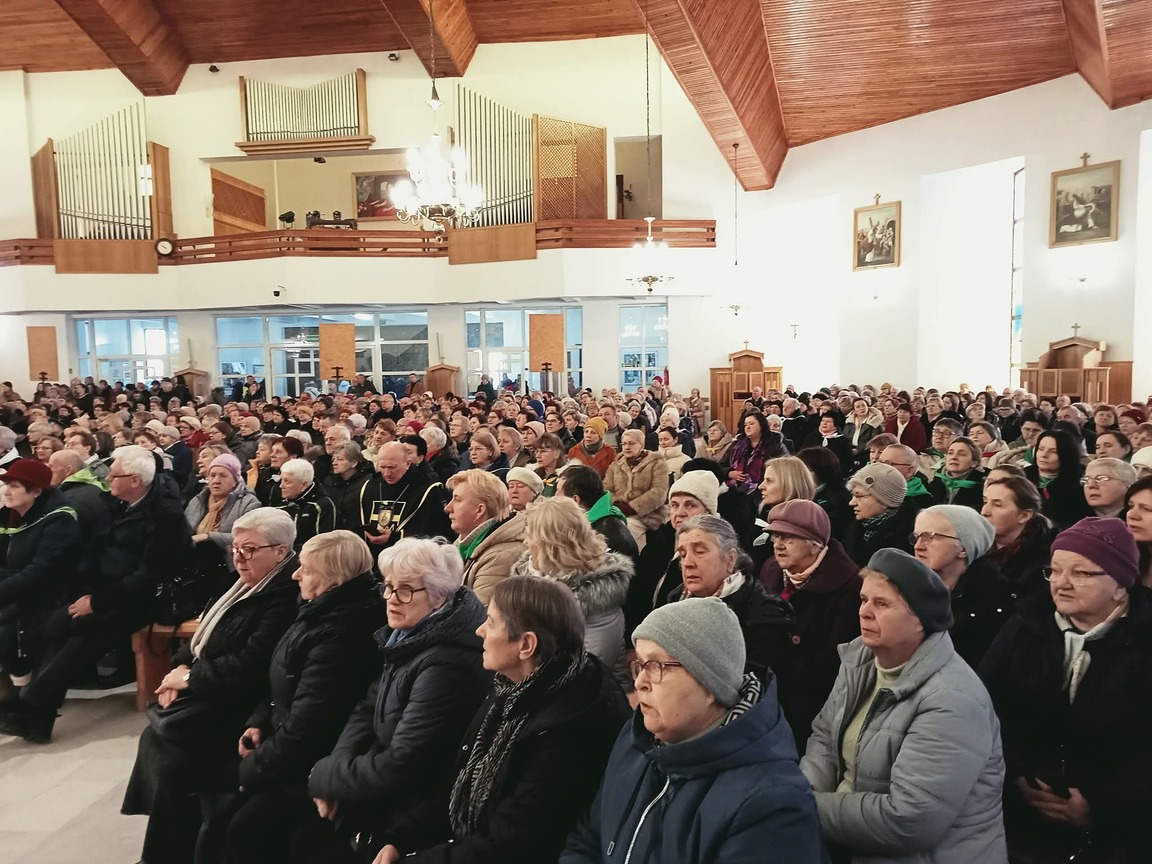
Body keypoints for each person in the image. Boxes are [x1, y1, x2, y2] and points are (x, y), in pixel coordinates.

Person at [374, 575, 630, 864]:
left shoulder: (568, 727)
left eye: (492, 622)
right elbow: (461, 782)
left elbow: (510, 842)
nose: (480, 630)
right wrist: (400, 837)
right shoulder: (513, 686)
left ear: (526, 645)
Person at [561, 598, 823, 863]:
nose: (639, 682)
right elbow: (588, 838)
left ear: (710, 684)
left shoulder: (772, 805)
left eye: (656, 666)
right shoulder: (635, 739)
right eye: (639, 665)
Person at [119, 509, 302, 864]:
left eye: (250, 549)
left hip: (243, 707)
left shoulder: (284, 597)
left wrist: (188, 679)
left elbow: (251, 667)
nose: (239, 557)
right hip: (212, 693)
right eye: (235, 548)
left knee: (174, 762)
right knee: (158, 743)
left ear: (281, 551)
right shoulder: (241, 582)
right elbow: (203, 634)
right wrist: (181, 666)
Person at [801, 548, 1007, 863]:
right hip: (846, 839)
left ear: (920, 620)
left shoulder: (952, 699)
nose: (864, 612)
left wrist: (805, 806)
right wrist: (804, 791)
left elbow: (909, 820)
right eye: (863, 599)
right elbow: (824, 738)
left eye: (882, 604)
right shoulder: (861, 660)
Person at [300, 539, 491, 863]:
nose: (390, 599)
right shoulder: (408, 636)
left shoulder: (445, 664)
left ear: (439, 595)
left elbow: (403, 763)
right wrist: (334, 770)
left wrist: (323, 776)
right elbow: (366, 709)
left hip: (412, 810)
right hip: (378, 790)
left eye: (405, 590)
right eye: (388, 587)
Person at [206, 530, 387, 864]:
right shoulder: (318, 609)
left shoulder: (341, 634)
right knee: (217, 805)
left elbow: (309, 728)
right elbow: (283, 677)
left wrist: (249, 770)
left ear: (333, 578)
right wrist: (259, 720)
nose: (295, 574)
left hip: (311, 761)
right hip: (286, 744)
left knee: (241, 826)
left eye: (306, 568)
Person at [979, 518, 1152, 862]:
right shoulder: (1026, 623)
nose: (1061, 583)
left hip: (1119, 834)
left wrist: (1100, 805)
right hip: (1017, 818)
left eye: (1081, 573)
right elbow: (986, 705)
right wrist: (1015, 776)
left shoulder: (1144, 640)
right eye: (1055, 571)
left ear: (1121, 585)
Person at [5, 445, 193, 742]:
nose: (107, 479)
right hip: (106, 590)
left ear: (135, 480)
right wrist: (87, 593)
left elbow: (148, 576)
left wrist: (97, 602)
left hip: (148, 598)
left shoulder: (165, 515)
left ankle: (30, 703)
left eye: (114, 475)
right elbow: (93, 552)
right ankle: (37, 717)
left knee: (87, 631)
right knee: (57, 622)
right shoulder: (115, 504)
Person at [758, 499, 862, 750]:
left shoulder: (849, 586)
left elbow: (836, 659)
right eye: (775, 536)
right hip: (766, 693)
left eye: (788, 537)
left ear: (815, 544)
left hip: (812, 706)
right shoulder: (771, 569)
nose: (778, 545)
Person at [510, 496, 633, 672]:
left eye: (530, 536)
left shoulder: (597, 599)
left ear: (552, 544)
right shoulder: (531, 574)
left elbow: (583, 673)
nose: (525, 542)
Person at [672, 514, 793, 687]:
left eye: (699, 552)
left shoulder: (766, 614)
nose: (687, 563)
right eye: (683, 555)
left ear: (730, 559)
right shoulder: (674, 601)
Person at [0, 460, 81, 700]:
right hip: (23, 592)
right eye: (6, 485)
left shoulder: (59, 520)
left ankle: (20, 691)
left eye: (14, 486)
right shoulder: (19, 516)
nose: (7, 491)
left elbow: (41, 571)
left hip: (49, 599)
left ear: (35, 491)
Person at [912, 504, 1014, 667]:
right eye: (916, 537)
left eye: (930, 536)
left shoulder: (991, 602)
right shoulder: (907, 587)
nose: (918, 546)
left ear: (963, 548)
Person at [625, 470, 721, 636]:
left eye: (690, 505)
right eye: (675, 505)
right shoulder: (658, 541)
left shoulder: (718, 552)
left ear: (708, 511)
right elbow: (637, 594)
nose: (680, 513)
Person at [447, 469, 525, 605]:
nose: (448, 508)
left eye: (457, 500)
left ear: (479, 510)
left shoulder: (501, 557)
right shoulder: (465, 542)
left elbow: (478, 614)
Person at [184, 452, 261, 578]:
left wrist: (209, 536)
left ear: (235, 480)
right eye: (212, 475)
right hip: (193, 563)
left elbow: (249, 539)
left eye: (223, 476)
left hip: (229, 567)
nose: (216, 481)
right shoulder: (197, 501)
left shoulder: (249, 503)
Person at [982, 476, 1053, 598]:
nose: (984, 511)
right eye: (985, 502)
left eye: (997, 505)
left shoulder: (1045, 557)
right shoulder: (972, 546)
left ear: (1024, 516)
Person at [555, 463, 639, 561]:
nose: (555, 495)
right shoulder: (598, 518)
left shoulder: (602, 535)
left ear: (575, 500)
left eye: (558, 490)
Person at [603, 428, 669, 551]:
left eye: (631, 443)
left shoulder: (657, 463)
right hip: (618, 511)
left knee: (627, 529)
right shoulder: (615, 465)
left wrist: (633, 507)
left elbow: (659, 492)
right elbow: (606, 489)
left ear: (641, 445)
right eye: (624, 443)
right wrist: (617, 504)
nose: (627, 447)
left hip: (648, 514)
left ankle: (635, 557)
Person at [842, 463, 918, 565]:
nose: (852, 503)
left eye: (859, 496)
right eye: (853, 496)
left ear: (885, 500)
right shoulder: (853, 529)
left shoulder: (909, 538)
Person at [1025, 429, 1091, 530]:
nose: (1044, 455)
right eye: (1041, 449)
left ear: (1067, 455)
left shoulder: (1078, 488)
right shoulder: (1022, 478)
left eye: (1053, 451)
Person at [277, 458, 337, 551]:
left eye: (287, 482)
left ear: (303, 485)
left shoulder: (321, 506)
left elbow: (322, 544)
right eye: (281, 481)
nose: (281, 486)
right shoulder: (280, 507)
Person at [724, 412, 788, 497]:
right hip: (734, 491)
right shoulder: (736, 445)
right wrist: (729, 473)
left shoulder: (775, 445)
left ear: (761, 425)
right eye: (745, 425)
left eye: (751, 423)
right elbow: (721, 465)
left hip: (764, 491)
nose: (747, 427)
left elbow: (785, 467)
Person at [927, 436, 987, 509]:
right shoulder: (935, 481)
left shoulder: (982, 487)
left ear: (974, 462)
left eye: (961, 454)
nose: (954, 457)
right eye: (950, 453)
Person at [531, 432, 566, 496]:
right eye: (536, 451)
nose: (538, 456)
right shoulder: (534, 475)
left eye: (543, 451)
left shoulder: (566, 477)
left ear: (557, 453)